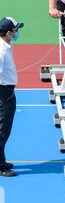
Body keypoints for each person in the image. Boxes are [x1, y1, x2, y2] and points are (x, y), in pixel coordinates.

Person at [0, 17, 24, 177]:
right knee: (2, 130)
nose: (17, 33)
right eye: (15, 31)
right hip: (3, 94)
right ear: (8, 33)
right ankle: (0, 166)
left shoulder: (6, 46)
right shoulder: (1, 52)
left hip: (7, 92)